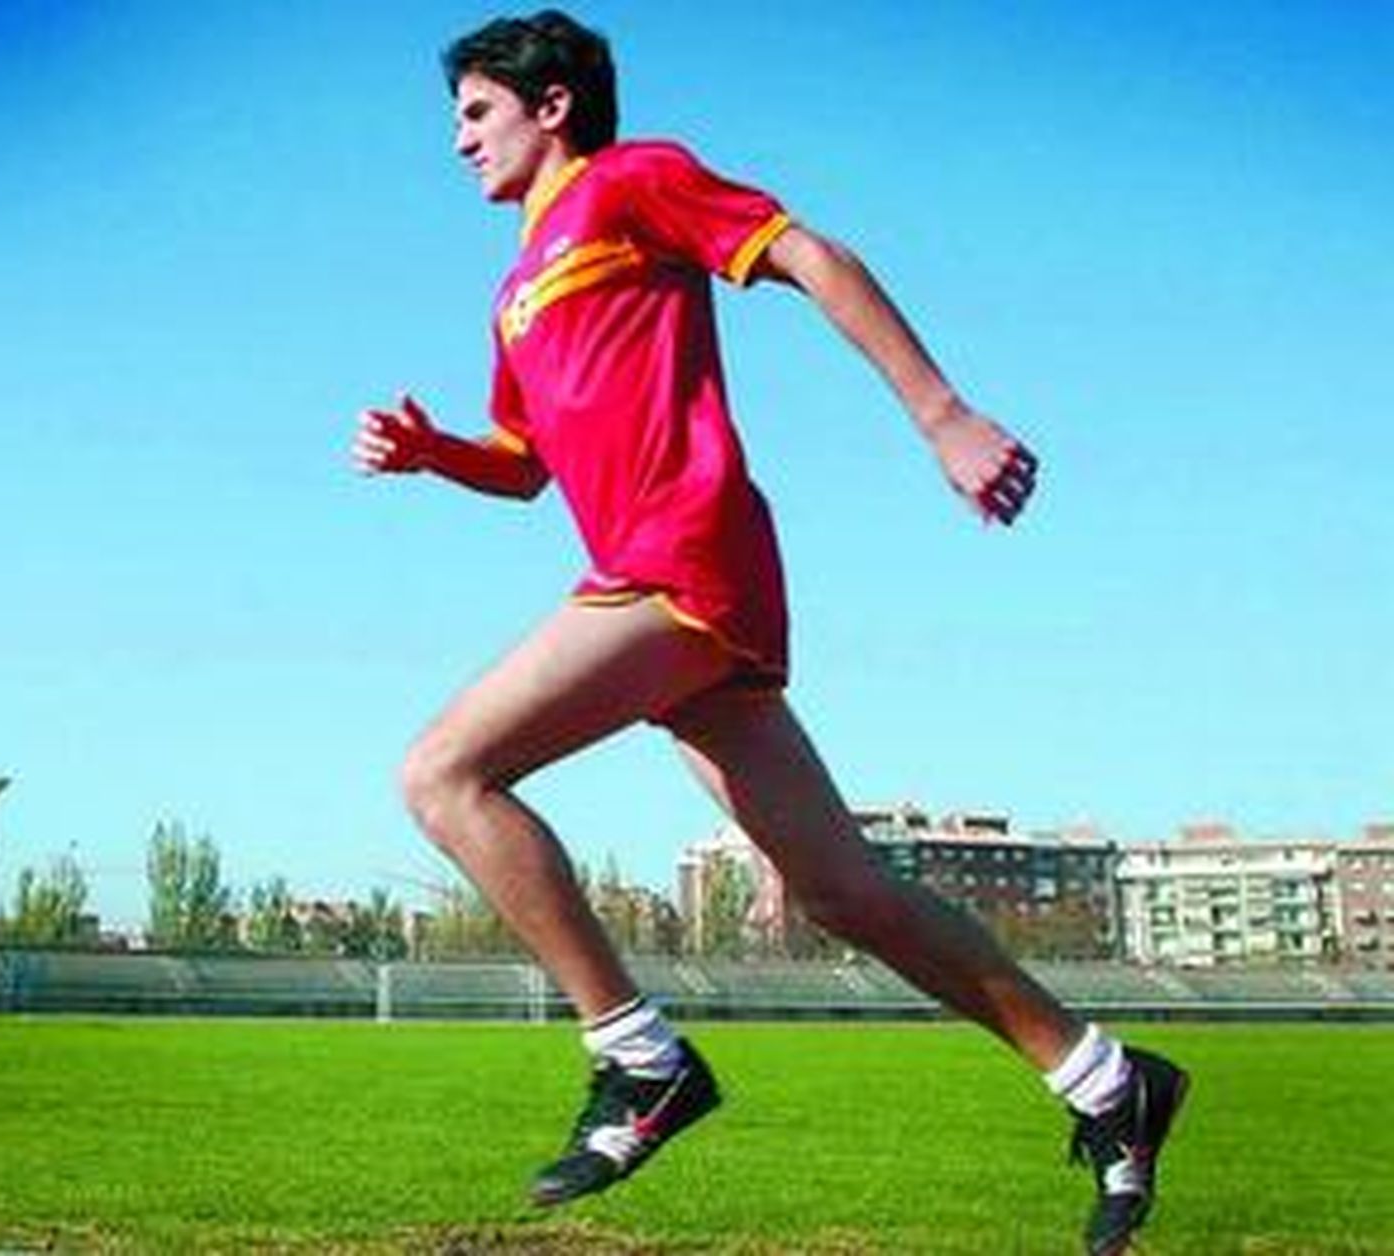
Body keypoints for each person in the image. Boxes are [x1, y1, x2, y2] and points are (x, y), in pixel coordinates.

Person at [352, 11, 1187, 1253]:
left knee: (443, 771)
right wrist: (437, 458)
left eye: (477, 112)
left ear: (554, 106)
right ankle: (1104, 1080)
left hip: (678, 556)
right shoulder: (515, 288)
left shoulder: (632, 183)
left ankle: (638, 1058)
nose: (458, 139)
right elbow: (526, 464)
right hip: (650, 579)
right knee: (842, 888)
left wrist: (942, 413)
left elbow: (815, 259)